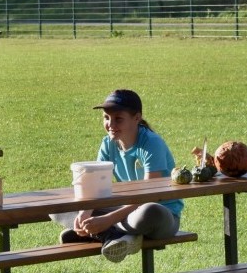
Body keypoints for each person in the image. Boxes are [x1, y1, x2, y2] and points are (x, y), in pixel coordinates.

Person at [60, 89, 183, 263]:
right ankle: (119, 236)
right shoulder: (107, 143)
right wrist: (85, 212)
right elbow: (95, 187)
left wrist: (108, 219)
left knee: (150, 210)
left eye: (118, 118)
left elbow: (149, 195)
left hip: (161, 214)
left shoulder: (151, 143)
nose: (111, 124)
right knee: (60, 205)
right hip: (126, 210)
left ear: (137, 118)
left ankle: (103, 233)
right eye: (106, 118)